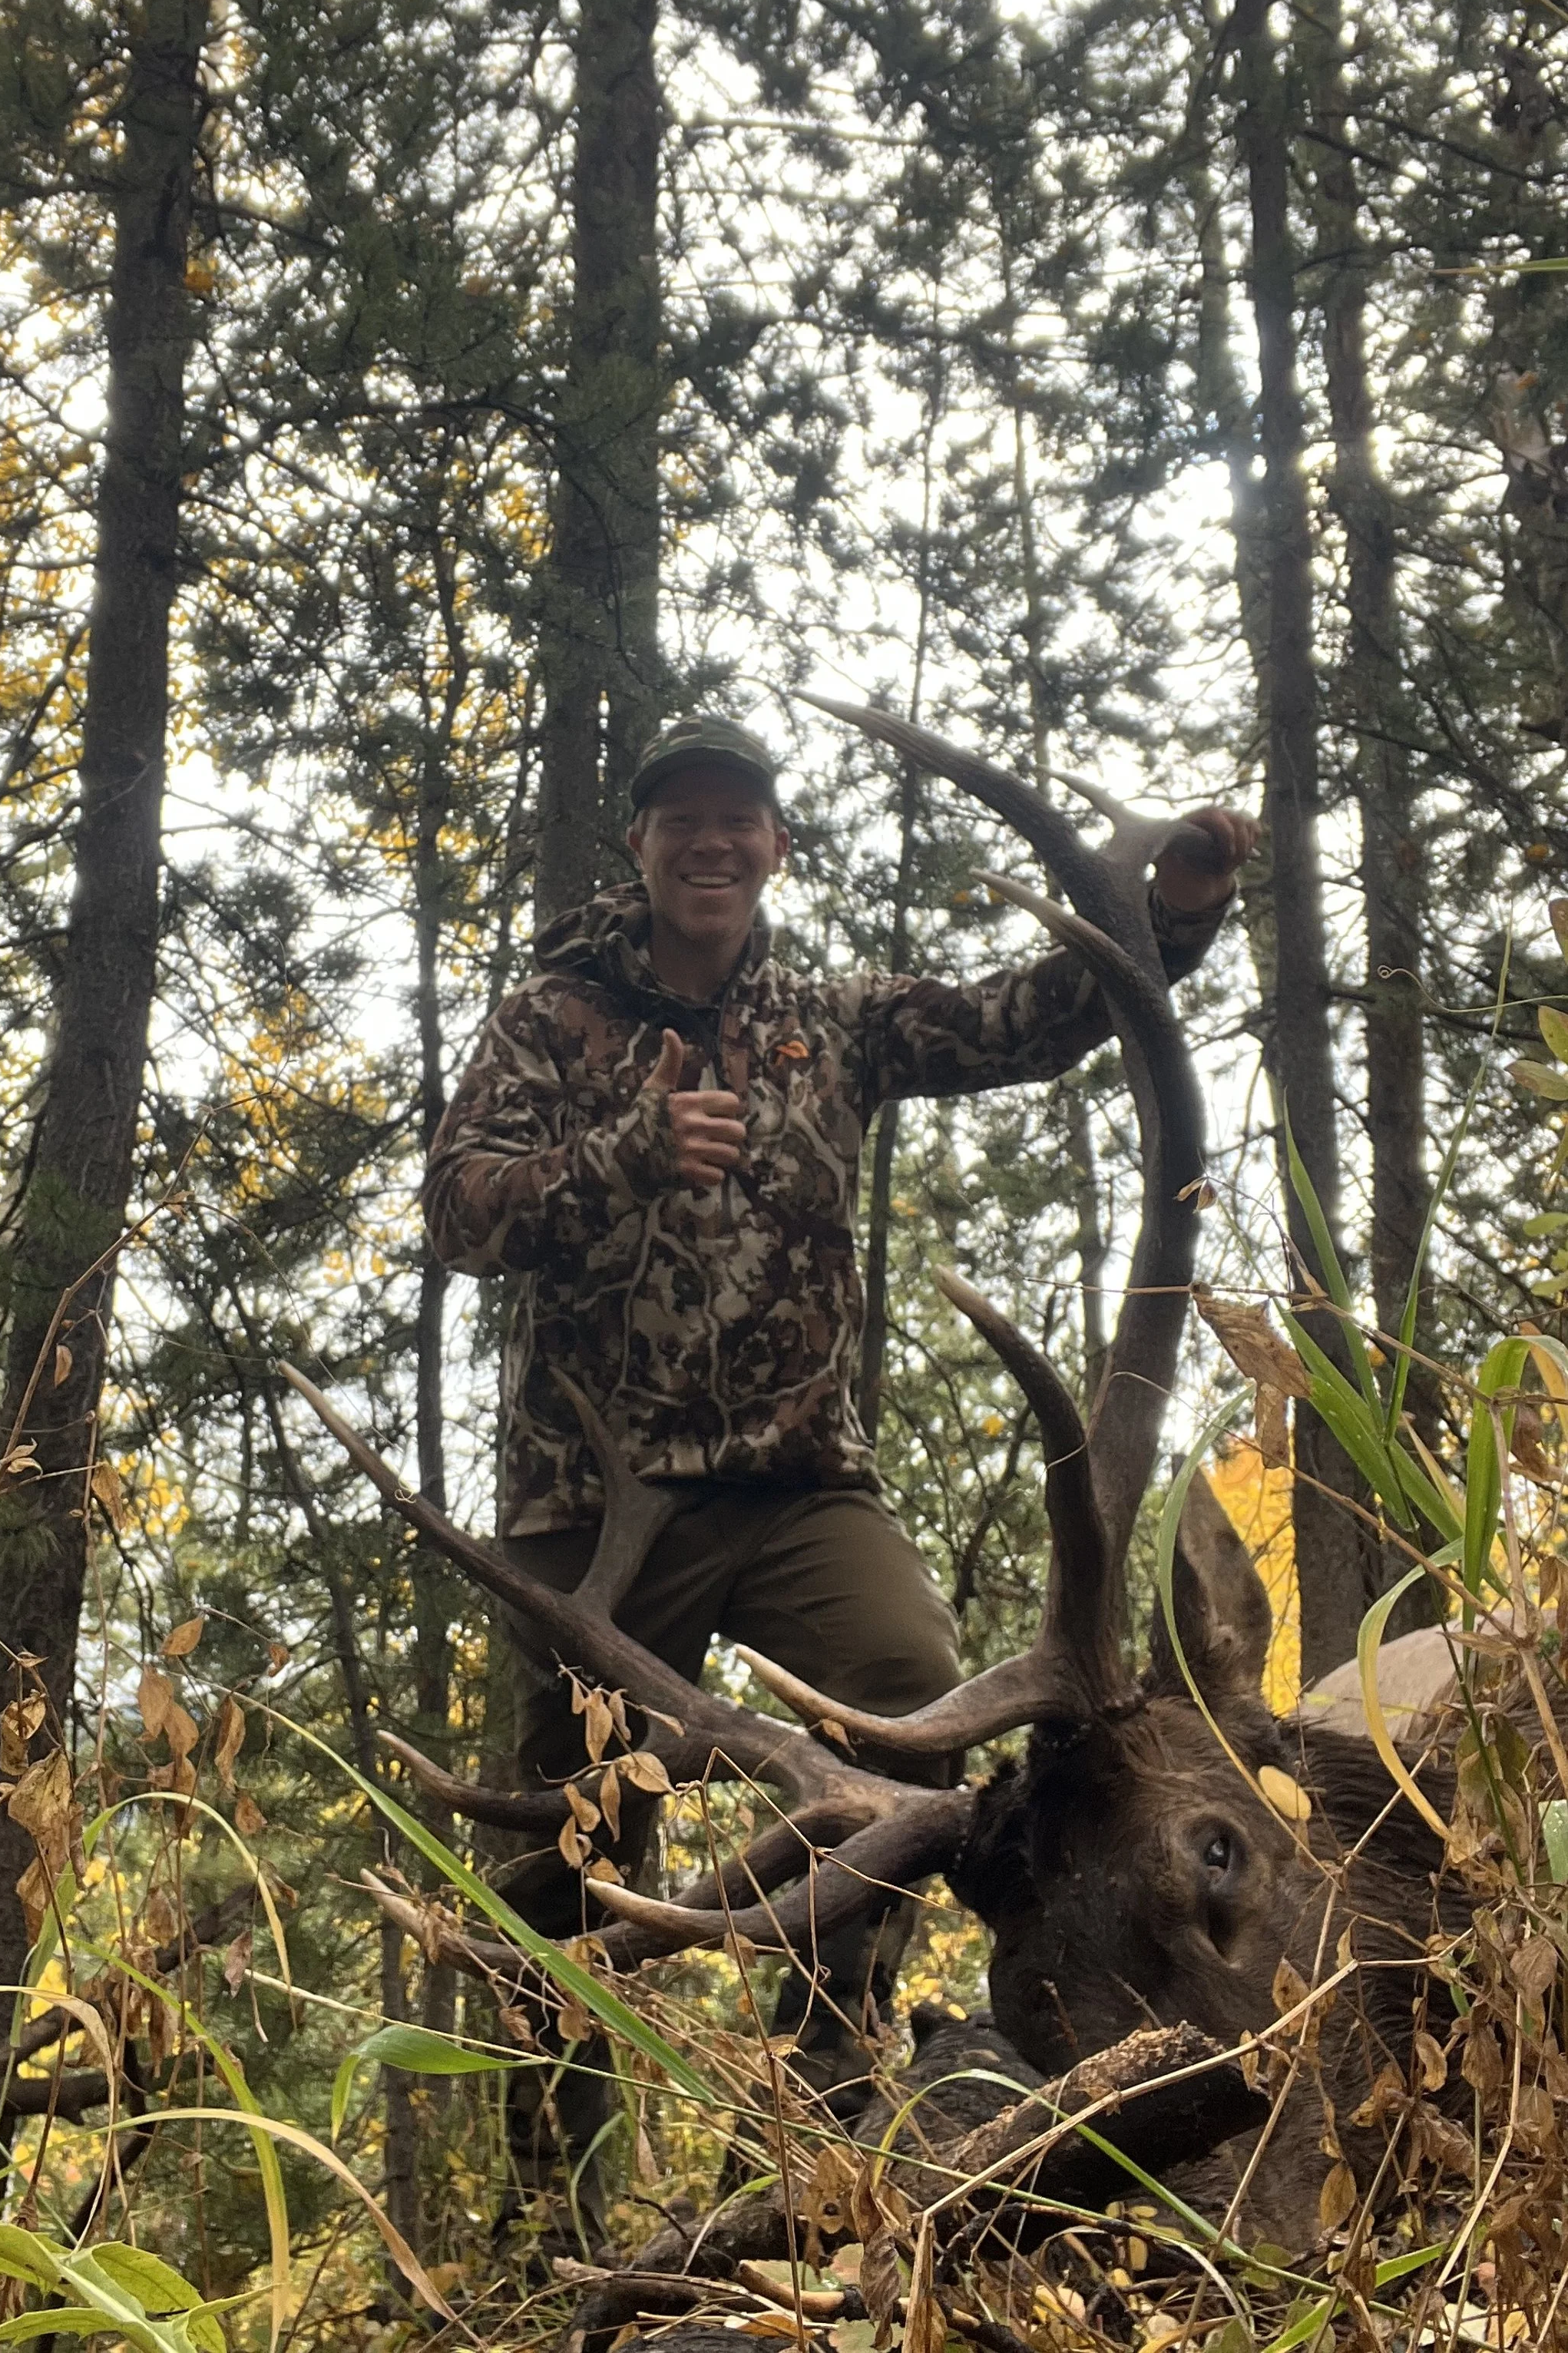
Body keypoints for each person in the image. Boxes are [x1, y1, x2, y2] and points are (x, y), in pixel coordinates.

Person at [421, 712, 1255, 2241]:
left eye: (740, 821)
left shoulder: (829, 1017)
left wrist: (1172, 911)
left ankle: (824, 2079)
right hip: (599, 1508)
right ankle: (550, 2204)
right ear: (642, 846)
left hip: (800, 1482)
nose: (711, 843)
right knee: (565, 1835)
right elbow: (459, 1210)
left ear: (773, 849)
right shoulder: (550, 1017)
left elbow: (1023, 1019)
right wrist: (624, 1151)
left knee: (911, 1688)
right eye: (683, 820)